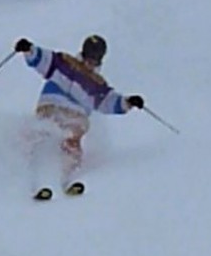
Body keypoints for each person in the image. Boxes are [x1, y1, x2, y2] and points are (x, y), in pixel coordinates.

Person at [12, 34, 145, 199]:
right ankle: (36, 181)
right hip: (51, 107)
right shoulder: (64, 63)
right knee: (41, 138)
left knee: (71, 143)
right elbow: (43, 59)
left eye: (95, 60)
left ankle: (67, 178)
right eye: (88, 57)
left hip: (75, 117)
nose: (90, 63)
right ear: (83, 53)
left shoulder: (97, 84)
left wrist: (128, 102)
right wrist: (29, 49)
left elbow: (109, 101)